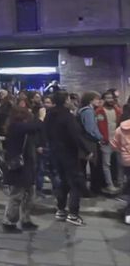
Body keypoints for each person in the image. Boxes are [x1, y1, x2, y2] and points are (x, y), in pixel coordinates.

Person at [46, 92, 93, 226]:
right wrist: (87, 150)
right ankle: (73, 214)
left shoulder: (49, 115)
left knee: (63, 182)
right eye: (68, 99)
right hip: (68, 153)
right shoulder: (67, 116)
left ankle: (61, 210)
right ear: (65, 101)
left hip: (55, 152)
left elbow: (45, 132)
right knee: (75, 183)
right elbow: (75, 135)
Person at [1, 106, 43, 233]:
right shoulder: (16, 126)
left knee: (30, 194)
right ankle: (9, 222)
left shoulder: (20, 126)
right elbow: (35, 127)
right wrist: (41, 117)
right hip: (19, 166)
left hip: (27, 166)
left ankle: (26, 220)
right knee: (17, 195)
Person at [96, 91, 123, 195]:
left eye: (111, 98)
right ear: (103, 99)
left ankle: (120, 182)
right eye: (107, 98)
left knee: (120, 163)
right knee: (106, 164)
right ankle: (109, 184)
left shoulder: (118, 110)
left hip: (117, 141)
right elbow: (97, 126)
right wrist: (101, 138)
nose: (110, 100)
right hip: (106, 142)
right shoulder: (99, 111)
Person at [78, 91, 104, 195]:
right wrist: (100, 137)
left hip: (83, 141)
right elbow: (90, 129)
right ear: (90, 100)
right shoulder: (88, 111)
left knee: (83, 167)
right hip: (89, 142)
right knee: (94, 166)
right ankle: (92, 190)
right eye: (97, 99)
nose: (99, 101)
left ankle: (83, 189)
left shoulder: (82, 110)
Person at [109, 116, 130, 225]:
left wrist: (122, 152)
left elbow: (114, 145)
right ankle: (128, 213)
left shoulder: (121, 128)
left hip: (126, 161)